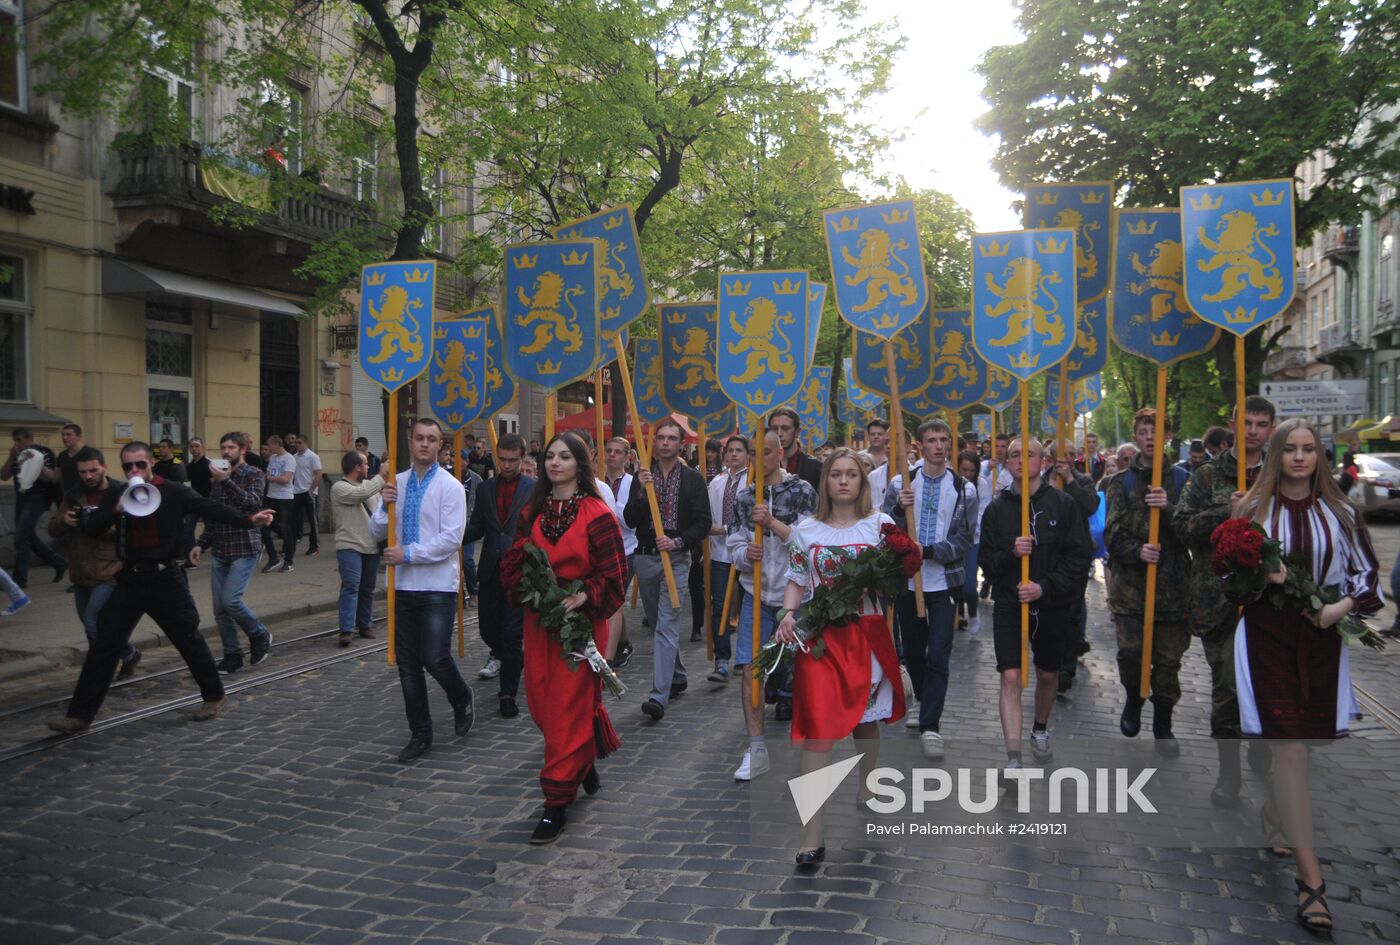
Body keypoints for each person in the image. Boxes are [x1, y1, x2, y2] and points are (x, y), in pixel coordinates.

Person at [1231, 419, 1382, 933]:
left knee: (1306, 745)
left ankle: (1276, 810)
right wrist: (1257, 574)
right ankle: (1311, 881)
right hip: (1267, 636)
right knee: (1289, 748)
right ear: (1276, 456)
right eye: (1290, 450)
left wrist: (1339, 608)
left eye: (1308, 450)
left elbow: (1365, 575)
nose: (1299, 458)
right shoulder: (1252, 510)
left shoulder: (1340, 513)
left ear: (1319, 456)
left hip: (1321, 638)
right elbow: (1229, 579)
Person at [47, 442, 275, 732]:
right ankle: (79, 715)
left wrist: (248, 520)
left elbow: (209, 507)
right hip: (129, 579)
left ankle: (214, 695)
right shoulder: (118, 493)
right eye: (128, 466)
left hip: (165, 578)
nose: (134, 471)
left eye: (139, 465)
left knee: (188, 639)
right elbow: (92, 529)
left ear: (150, 464)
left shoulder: (173, 490)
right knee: (104, 644)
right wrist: (115, 510)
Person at [775, 448, 907, 868]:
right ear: (826, 482)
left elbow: (896, 578)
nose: (844, 481)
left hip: (864, 637)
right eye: (836, 474)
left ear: (863, 482)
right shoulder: (806, 530)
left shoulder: (880, 525)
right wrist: (788, 614)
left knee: (864, 721)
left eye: (852, 474)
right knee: (817, 731)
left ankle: (867, 784)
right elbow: (797, 579)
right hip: (819, 639)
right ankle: (812, 836)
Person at [502, 433, 627, 845]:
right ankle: (582, 757)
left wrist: (586, 594)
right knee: (541, 704)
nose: (555, 463)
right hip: (541, 626)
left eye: (564, 456)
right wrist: (524, 582)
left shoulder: (597, 514)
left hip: (580, 626)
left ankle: (556, 802)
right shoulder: (533, 510)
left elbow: (614, 577)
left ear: (580, 463)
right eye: (549, 456)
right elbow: (518, 557)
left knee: (565, 709)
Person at [1172, 395, 1277, 806]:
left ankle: (1264, 741)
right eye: (1246, 422)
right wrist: (1224, 512)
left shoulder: (1277, 471)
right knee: (1227, 688)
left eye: (1261, 424)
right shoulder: (1206, 475)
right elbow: (1181, 526)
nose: (1252, 430)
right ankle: (1228, 774)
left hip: (1271, 596)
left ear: (1271, 428)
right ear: (1233, 424)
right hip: (1220, 598)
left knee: (1269, 683)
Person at [981, 437, 1092, 769]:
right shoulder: (996, 509)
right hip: (1008, 604)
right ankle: (1013, 757)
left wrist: (1044, 587)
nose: (1018, 460)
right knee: (1010, 677)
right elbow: (986, 561)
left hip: (1052, 605)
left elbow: (1078, 558)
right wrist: (1010, 554)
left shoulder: (1063, 504)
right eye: (1013, 455)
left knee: (1047, 674)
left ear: (1042, 462)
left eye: (1027, 454)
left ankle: (1040, 728)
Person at [370, 418, 475, 762]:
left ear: (440, 445)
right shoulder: (394, 483)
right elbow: (376, 531)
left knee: (435, 656)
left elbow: (451, 539)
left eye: (432, 439)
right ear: (410, 442)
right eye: (419, 438)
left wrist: (408, 554)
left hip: (437, 586)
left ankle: (460, 696)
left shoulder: (450, 486)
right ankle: (421, 732)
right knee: (407, 663)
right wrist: (384, 507)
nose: (425, 444)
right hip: (401, 586)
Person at [884, 419, 978, 760]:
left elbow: (965, 538)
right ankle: (922, 698)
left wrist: (931, 551)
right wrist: (898, 508)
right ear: (920, 446)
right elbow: (883, 527)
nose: (938, 446)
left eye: (944, 440)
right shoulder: (901, 483)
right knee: (914, 650)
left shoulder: (964, 488)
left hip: (943, 583)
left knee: (939, 654)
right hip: (908, 583)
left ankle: (931, 725)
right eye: (932, 440)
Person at [726, 431, 816, 780]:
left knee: (806, 671)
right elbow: (734, 548)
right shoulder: (744, 497)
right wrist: (747, 555)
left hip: (797, 598)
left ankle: (812, 748)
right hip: (756, 596)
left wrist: (773, 525)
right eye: (753, 453)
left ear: (781, 454)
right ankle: (756, 747)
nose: (758, 459)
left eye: (765, 452)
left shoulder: (802, 492)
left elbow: (808, 544)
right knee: (751, 670)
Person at [1103, 408, 1192, 755]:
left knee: (1168, 661)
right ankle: (1132, 698)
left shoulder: (1185, 480)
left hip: (1173, 590)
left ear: (1167, 436)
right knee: (1131, 653)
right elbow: (1110, 532)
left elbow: (1193, 531)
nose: (1150, 437)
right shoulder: (1120, 482)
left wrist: (1169, 509)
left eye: (1157, 431)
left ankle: (1164, 721)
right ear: (1136, 436)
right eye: (1143, 431)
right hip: (1131, 590)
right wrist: (1136, 551)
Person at [623, 417, 712, 721]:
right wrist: (640, 492)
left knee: (667, 625)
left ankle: (658, 695)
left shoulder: (692, 480)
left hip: (675, 560)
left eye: (671, 438)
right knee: (658, 622)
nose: (664, 443)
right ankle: (676, 675)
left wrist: (678, 542)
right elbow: (630, 519)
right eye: (660, 437)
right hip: (645, 559)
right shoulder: (641, 477)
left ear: (680, 444)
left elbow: (703, 522)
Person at [48, 447, 139, 676]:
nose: (88, 476)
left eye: (93, 470)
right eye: (83, 472)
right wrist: (64, 521)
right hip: (81, 571)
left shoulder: (120, 491)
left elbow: (131, 530)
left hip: (110, 570)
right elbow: (52, 528)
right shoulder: (74, 494)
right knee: (93, 626)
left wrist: (98, 524)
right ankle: (128, 653)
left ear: (104, 467)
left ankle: (99, 672)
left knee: (93, 621)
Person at [188, 434, 273, 675]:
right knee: (220, 609)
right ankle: (232, 654)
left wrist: (225, 481)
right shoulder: (216, 478)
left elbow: (251, 503)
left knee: (231, 601)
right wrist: (200, 544)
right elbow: (213, 515)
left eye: (231, 447)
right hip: (221, 549)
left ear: (243, 450)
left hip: (244, 548)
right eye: (223, 447)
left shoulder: (253, 474)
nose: (226, 452)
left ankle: (259, 633)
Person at [466, 432, 533, 718]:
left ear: (521, 458)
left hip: (520, 569)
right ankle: (509, 657)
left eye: (513, 461)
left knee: (512, 632)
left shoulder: (534, 488)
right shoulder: (485, 489)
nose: (507, 465)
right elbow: (478, 527)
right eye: (503, 460)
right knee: (488, 629)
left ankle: (508, 692)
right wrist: (451, 535)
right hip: (491, 567)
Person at [705, 435, 749, 682]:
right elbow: (710, 515)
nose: (734, 454)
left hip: (745, 551)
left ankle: (744, 657)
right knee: (719, 604)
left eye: (739, 450)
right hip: (720, 553)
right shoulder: (717, 484)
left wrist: (726, 529)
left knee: (746, 605)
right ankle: (722, 659)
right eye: (730, 450)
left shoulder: (753, 482)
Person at [1, 427, 67, 588]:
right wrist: (11, 458)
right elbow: (3, 476)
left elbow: (51, 479)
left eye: (19, 440)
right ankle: (59, 563)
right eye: (15, 440)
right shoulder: (17, 455)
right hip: (21, 499)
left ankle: (18, 580)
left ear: (29, 438)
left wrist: (35, 465)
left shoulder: (43, 452)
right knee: (28, 537)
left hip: (37, 499)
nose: (17, 444)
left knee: (21, 539)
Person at [332, 450, 385, 647]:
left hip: (370, 545)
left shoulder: (370, 488)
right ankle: (346, 629)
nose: (368, 467)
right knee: (351, 586)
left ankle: (365, 624)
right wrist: (381, 476)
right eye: (365, 464)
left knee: (368, 589)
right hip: (349, 544)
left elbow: (380, 512)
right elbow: (359, 494)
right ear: (356, 467)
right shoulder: (339, 487)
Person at [602, 436, 638, 667]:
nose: (612, 455)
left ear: (627, 457)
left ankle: (613, 648)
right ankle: (623, 640)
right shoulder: (596, 479)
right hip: (603, 549)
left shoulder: (632, 483)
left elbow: (630, 521)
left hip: (627, 549)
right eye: (609, 450)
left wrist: (612, 504)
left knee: (614, 598)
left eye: (617, 452)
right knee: (611, 598)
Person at [956, 450, 991, 635]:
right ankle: (958, 614)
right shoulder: (951, 481)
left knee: (969, 585)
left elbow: (983, 512)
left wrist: (969, 527)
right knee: (954, 583)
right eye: (964, 469)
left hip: (973, 540)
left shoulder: (982, 485)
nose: (967, 474)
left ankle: (973, 611)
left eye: (971, 470)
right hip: (953, 540)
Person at [261, 435, 296, 572]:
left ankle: (288, 561)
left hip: (285, 498)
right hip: (270, 496)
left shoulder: (289, 459)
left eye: (269, 445)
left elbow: (286, 478)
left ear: (276, 444)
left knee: (287, 530)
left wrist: (269, 478)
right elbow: (268, 474)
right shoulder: (273, 458)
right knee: (264, 526)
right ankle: (273, 557)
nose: (268, 448)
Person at [767, 408, 822, 491]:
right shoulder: (763, 466)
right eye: (774, 428)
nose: (779, 434)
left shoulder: (815, 467)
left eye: (785, 428)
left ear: (797, 432)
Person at [288, 433, 323, 558]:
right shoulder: (294, 457)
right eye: (296, 443)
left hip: (308, 492)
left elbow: (318, 474)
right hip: (296, 492)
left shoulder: (312, 456)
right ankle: (291, 547)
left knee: (313, 520)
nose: (297, 445)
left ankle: (314, 546)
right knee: (294, 520)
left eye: (299, 442)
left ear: (305, 443)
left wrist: (312, 490)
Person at [865, 419, 890, 509]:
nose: (876, 437)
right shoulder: (859, 458)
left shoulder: (894, 458)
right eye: (872, 434)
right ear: (868, 436)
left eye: (879, 434)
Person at [55, 423, 85, 496]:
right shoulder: (62, 455)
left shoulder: (90, 453)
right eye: (63, 435)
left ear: (79, 436)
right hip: (67, 497)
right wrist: (40, 465)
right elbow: (56, 477)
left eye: (68, 434)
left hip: (86, 496)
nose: (64, 438)